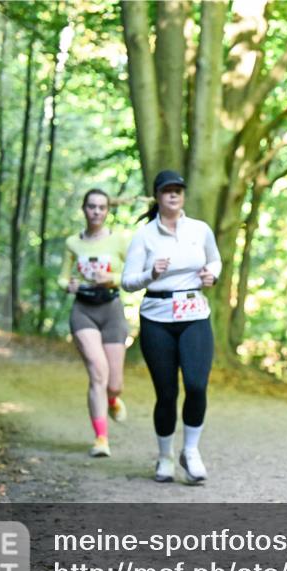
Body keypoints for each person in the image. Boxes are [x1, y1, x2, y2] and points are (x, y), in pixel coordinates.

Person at [122, 170, 221, 484]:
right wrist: (150, 274)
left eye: (178, 189)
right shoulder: (144, 236)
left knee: (196, 385)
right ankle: (164, 456)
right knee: (166, 393)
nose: (174, 195)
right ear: (157, 196)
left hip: (194, 315)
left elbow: (215, 260)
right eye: (167, 190)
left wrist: (212, 275)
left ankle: (190, 451)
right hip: (157, 319)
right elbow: (127, 281)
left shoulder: (199, 230)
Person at [58, 188, 131, 458]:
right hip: (83, 311)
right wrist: (68, 285)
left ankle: (112, 398)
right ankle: (101, 438)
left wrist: (112, 279)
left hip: (111, 311)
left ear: (107, 211)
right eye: (91, 206)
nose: (96, 212)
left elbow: (134, 274)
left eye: (101, 207)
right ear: (84, 209)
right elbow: (62, 277)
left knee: (114, 383)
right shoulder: (72, 243)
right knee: (98, 372)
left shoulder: (119, 241)